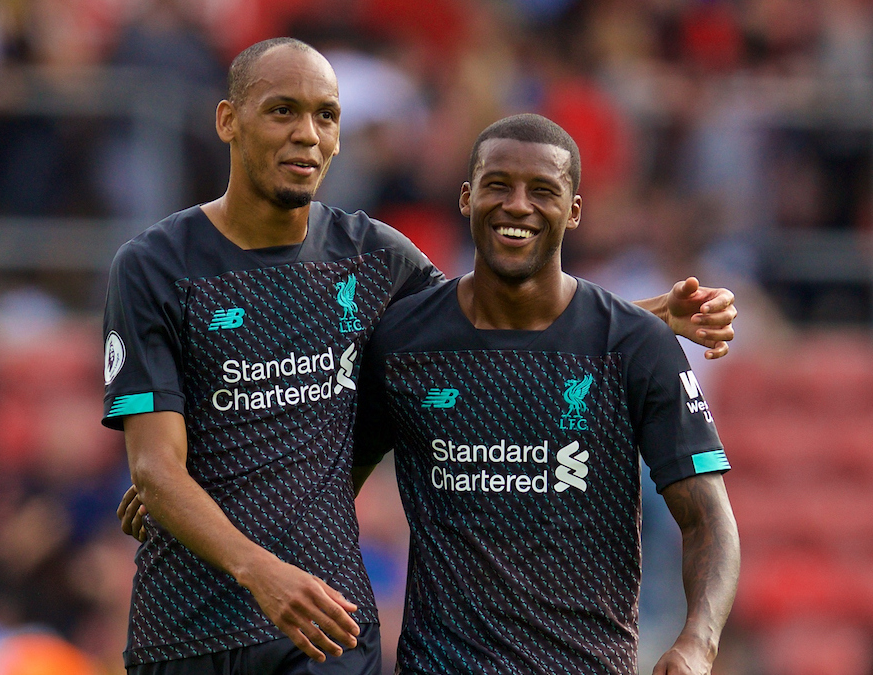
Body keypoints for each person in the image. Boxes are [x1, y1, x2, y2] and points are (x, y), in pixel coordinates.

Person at [104, 38, 737, 675]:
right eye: (282, 111)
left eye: (326, 116)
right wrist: (180, 496)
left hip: (326, 628)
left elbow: (504, 315)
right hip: (186, 621)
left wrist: (646, 321)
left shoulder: (375, 256)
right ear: (227, 120)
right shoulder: (156, 266)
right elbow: (156, 469)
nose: (307, 133)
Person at [350, 114, 741, 674]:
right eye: (497, 185)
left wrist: (698, 642)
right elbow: (331, 494)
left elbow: (709, 520)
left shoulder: (636, 345)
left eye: (542, 190)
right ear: (466, 197)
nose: (517, 205)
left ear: (574, 210)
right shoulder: (403, 343)